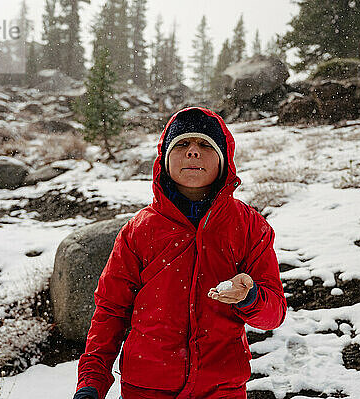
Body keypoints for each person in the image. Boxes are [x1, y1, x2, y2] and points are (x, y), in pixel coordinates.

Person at [73, 107, 287, 399]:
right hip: (146, 388)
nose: (193, 152)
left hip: (222, 388)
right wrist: (91, 382)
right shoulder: (138, 231)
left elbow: (273, 314)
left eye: (205, 145)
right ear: (165, 159)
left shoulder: (249, 226)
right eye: (182, 144)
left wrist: (249, 298)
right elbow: (109, 312)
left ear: (224, 160)